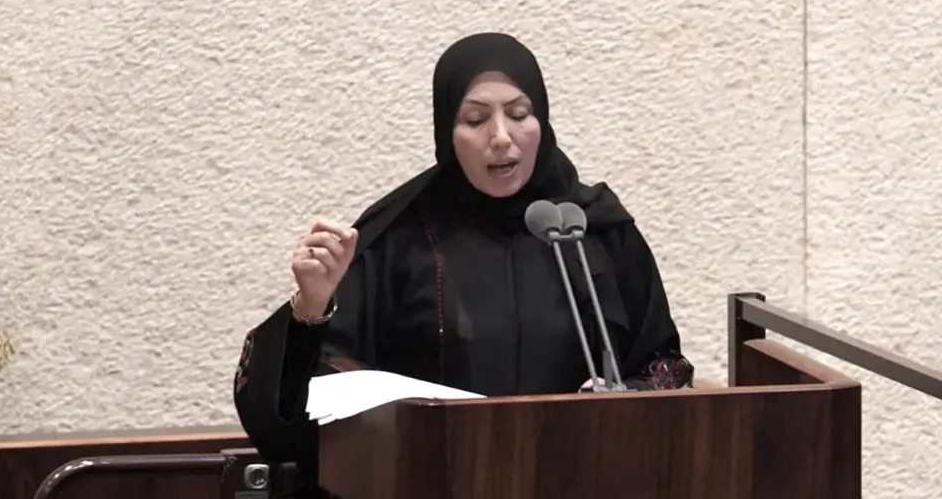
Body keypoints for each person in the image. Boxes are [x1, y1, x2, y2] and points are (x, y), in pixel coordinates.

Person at [232, 32, 692, 473]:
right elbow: (287, 422)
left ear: (542, 121)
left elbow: (663, 364)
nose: (501, 136)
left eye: (519, 113)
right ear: (446, 132)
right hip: (433, 481)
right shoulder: (402, 239)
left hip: (580, 477)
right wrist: (310, 308)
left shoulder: (592, 230)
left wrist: (625, 397)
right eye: (475, 119)